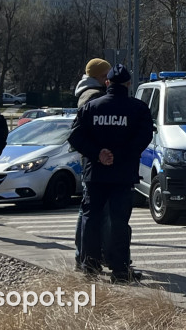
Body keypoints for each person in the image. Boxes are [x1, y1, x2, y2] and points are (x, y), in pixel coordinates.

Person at [68, 64, 153, 283]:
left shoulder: (91, 107)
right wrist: (119, 154)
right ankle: (120, 270)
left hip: (95, 174)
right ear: (128, 84)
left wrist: (98, 154)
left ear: (107, 83)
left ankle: (90, 266)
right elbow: (143, 139)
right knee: (119, 222)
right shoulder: (138, 108)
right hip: (122, 174)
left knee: (91, 219)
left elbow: (75, 137)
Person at [73, 58, 112, 271]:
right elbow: (87, 131)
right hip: (96, 161)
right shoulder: (93, 96)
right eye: (106, 76)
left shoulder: (86, 93)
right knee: (96, 212)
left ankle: (85, 256)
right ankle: (88, 257)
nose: (109, 80)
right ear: (99, 77)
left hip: (91, 159)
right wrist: (99, 153)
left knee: (87, 210)